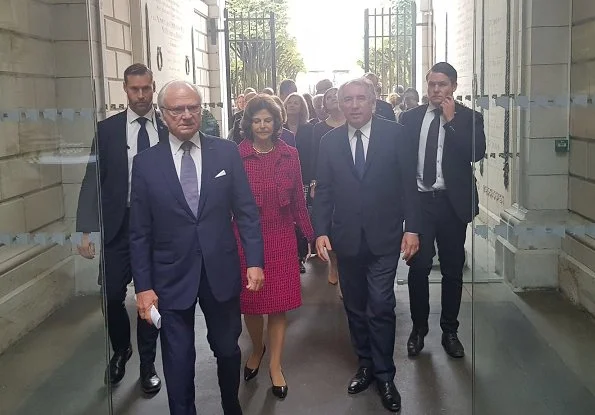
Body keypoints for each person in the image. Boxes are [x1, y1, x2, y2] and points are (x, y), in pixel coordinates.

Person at [129, 80, 265, 415]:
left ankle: (230, 404)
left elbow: (246, 211)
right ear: (163, 115)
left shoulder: (226, 152)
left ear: (201, 109)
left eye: (193, 107)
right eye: (177, 109)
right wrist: (143, 287)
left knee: (227, 349)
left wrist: (255, 261)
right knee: (178, 359)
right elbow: (139, 232)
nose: (186, 115)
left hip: (220, 270)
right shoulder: (146, 164)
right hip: (170, 276)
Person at [312, 77, 420, 413]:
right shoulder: (328, 142)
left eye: (361, 98)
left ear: (373, 103)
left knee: (381, 304)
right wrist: (320, 231)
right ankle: (365, 364)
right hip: (346, 239)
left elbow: (409, 185)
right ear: (339, 104)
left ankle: (385, 374)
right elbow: (324, 191)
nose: (355, 105)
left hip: (385, 237)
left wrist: (412, 228)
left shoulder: (396, 135)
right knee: (355, 306)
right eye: (348, 99)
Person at [76, 63, 164, 393]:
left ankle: (147, 363)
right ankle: (121, 349)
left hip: (157, 228)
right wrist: (85, 229)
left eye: (146, 88)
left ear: (153, 87)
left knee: (150, 299)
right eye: (134, 89)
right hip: (118, 225)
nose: (140, 95)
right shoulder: (108, 130)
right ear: (125, 90)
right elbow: (91, 180)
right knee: (111, 295)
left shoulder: (167, 128)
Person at [400, 62, 486, 359]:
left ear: (453, 87)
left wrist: (451, 121)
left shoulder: (470, 118)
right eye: (432, 84)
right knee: (419, 266)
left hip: (452, 204)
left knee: (452, 268)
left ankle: (450, 330)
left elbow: (476, 153)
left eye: (442, 85)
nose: (436, 90)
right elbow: (402, 163)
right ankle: (418, 328)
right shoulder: (409, 118)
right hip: (421, 203)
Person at [236, 95, 314, 400]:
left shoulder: (290, 154)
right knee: (252, 303)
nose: (263, 125)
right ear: (248, 124)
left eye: (268, 119)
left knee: (278, 306)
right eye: (257, 120)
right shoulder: (237, 155)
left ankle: (276, 365)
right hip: (244, 238)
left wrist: (309, 234)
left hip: (281, 237)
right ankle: (257, 349)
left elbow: (298, 200)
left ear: (276, 122)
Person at [310, 87, 345, 287]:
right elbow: (316, 158)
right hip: (327, 181)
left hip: (347, 182)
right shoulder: (319, 129)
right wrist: (315, 182)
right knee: (329, 223)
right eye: (328, 97)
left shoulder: (351, 123)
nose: (332, 99)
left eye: (335, 96)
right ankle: (334, 263)